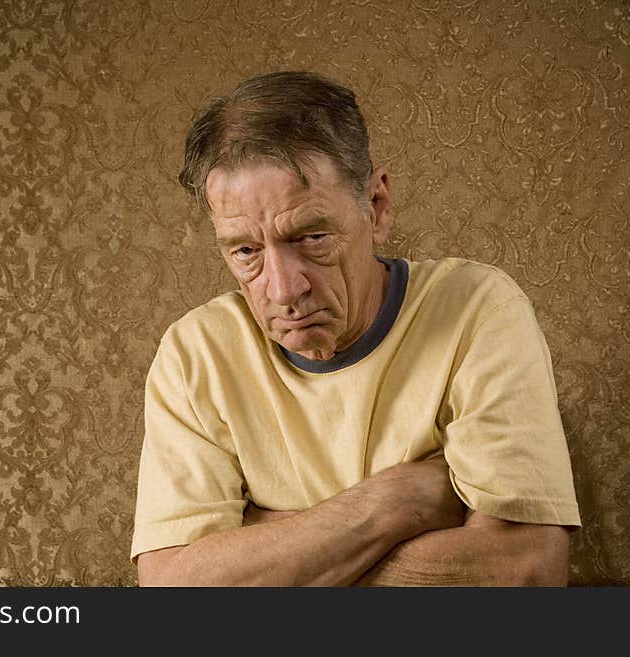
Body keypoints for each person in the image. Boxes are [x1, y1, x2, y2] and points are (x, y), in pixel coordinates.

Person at [130, 70, 581, 586]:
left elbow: (525, 572)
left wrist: (273, 550)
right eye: (246, 251)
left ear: (377, 206)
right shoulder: (196, 352)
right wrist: (393, 506)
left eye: (312, 236)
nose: (282, 289)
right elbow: (174, 589)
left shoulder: (478, 311)